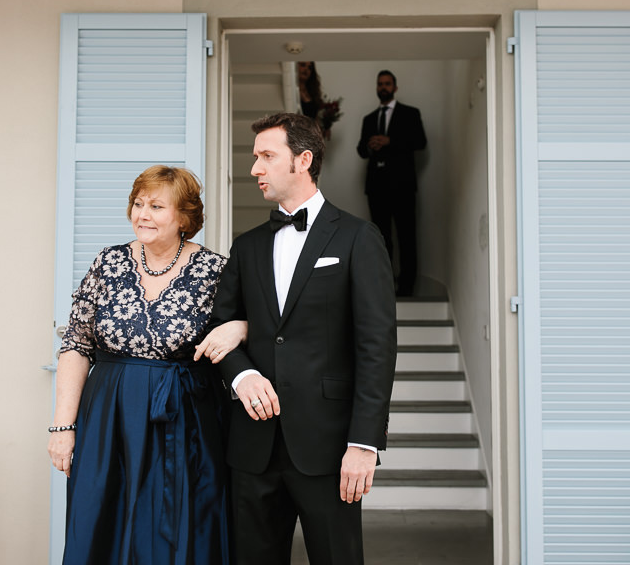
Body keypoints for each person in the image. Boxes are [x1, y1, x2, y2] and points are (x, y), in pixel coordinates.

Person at [208, 112, 397, 564]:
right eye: (255, 158)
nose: (255, 168)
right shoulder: (247, 245)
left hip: (329, 448)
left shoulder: (358, 238)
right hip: (252, 450)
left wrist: (363, 443)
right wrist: (241, 376)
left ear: (303, 160)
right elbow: (219, 328)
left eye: (267, 157)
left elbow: (377, 347)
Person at [47, 165, 246, 565]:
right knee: (102, 520)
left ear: (184, 217)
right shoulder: (108, 263)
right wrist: (63, 427)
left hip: (185, 420)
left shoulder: (214, 270)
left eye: (157, 206)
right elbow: (77, 344)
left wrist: (242, 326)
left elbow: (249, 320)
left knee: (176, 528)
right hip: (108, 418)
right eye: (138, 204)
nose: (143, 214)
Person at [356, 69, 427, 296]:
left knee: (407, 236)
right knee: (381, 239)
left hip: (403, 185)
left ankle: (407, 287)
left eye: (387, 84)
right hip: (376, 187)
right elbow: (361, 151)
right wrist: (370, 145)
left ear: (395, 87)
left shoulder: (410, 114)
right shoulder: (369, 119)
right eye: (380, 84)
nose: (383, 87)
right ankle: (384, 286)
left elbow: (420, 142)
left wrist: (390, 141)